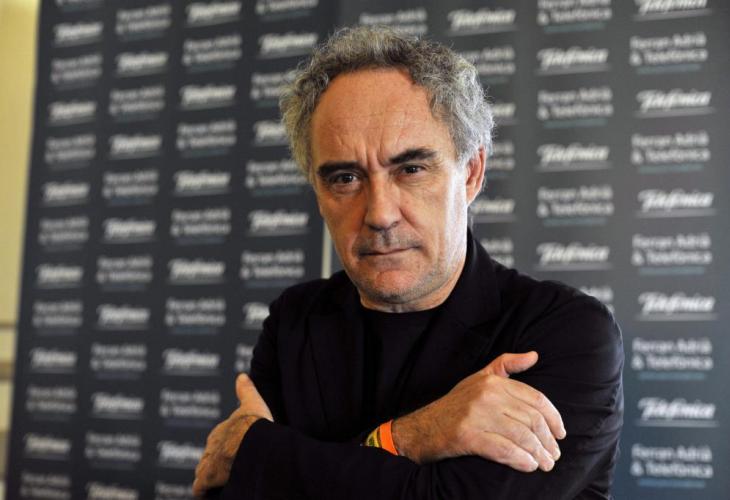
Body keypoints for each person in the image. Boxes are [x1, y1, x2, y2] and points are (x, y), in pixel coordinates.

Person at [193, 26, 623, 499]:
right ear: (318, 192)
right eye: (345, 178)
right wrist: (414, 436)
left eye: (411, 169)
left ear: (471, 173)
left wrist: (261, 455)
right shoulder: (295, 321)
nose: (379, 213)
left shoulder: (563, 334)